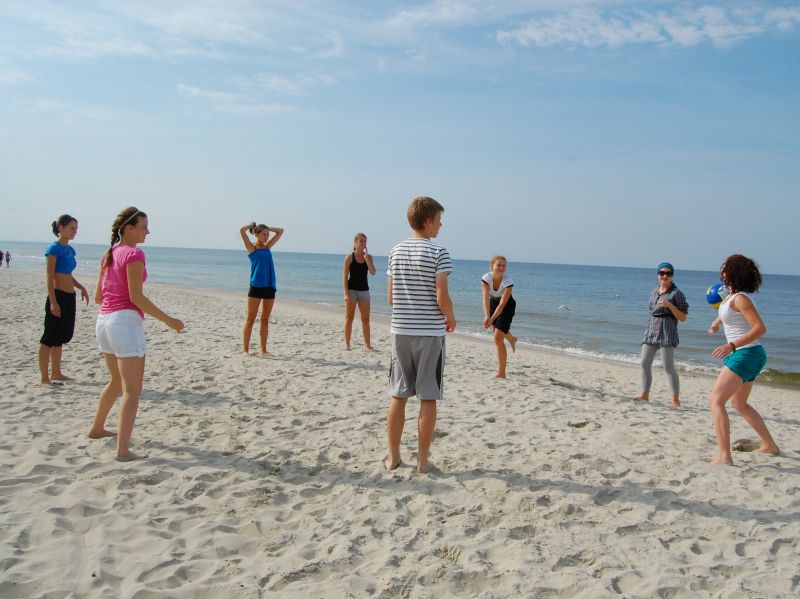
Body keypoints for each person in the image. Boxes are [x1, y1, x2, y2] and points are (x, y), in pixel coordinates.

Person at [88, 207, 184, 461]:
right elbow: (136, 297)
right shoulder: (133, 253)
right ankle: (123, 450)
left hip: (104, 321)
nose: (147, 231)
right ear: (129, 229)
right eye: (144, 227)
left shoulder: (109, 254)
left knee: (116, 382)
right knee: (132, 390)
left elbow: (98, 297)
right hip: (124, 323)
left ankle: (97, 429)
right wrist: (170, 321)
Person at [385, 196, 455, 474]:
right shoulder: (439, 252)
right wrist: (450, 317)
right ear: (427, 221)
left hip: (400, 330)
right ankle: (422, 462)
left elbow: (391, 297)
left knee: (398, 395)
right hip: (429, 333)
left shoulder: (395, 250)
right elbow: (441, 296)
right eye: (439, 220)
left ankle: (393, 458)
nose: (440, 225)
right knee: (428, 397)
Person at [707, 254, 780, 465]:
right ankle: (770, 445)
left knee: (716, 401)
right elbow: (727, 312)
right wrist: (717, 323)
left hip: (746, 353)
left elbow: (760, 328)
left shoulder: (741, 299)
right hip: (751, 354)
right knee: (739, 403)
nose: (722, 270)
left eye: (725, 267)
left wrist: (731, 345)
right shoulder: (733, 297)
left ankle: (724, 456)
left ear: (733, 272)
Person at [38, 215, 90, 385]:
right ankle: (44, 378)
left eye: (76, 229)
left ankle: (56, 373)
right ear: (61, 228)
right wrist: (53, 302)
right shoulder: (54, 248)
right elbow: (50, 276)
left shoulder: (70, 250)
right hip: (58, 295)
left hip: (69, 297)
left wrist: (81, 287)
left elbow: (67, 274)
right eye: (71, 228)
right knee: (49, 337)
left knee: (61, 336)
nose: (74, 231)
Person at [635, 262, 688, 407]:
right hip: (651, 330)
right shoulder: (654, 291)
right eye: (662, 273)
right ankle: (645, 394)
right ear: (658, 275)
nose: (665, 276)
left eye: (668, 273)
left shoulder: (677, 294)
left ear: (672, 276)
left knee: (668, 367)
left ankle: (675, 399)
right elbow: (651, 310)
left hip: (667, 331)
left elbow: (683, 317)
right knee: (644, 363)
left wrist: (670, 306)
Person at [239, 221, 284, 355]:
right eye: (264, 234)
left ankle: (263, 350)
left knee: (265, 320)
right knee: (250, 320)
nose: (266, 237)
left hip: (269, 286)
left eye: (268, 234)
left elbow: (281, 231)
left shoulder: (268, 247)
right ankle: (245, 350)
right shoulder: (252, 249)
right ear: (257, 234)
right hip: (256, 287)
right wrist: (251, 226)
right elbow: (242, 231)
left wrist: (268, 228)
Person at [482, 255, 518, 378]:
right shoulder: (486, 278)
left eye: (504, 266)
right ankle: (512, 339)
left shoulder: (508, 280)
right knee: (497, 330)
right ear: (492, 266)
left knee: (497, 338)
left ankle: (501, 373)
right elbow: (485, 298)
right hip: (493, 303)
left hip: (507, 306)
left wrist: (492, 319)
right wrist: (487, 315)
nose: (501, 267)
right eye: (498, 265)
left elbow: (502, 304)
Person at [343, 232, 376, 350]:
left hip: (364, 292)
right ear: (355, 243)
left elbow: (373, 272)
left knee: (365, 319)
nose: (363, 243)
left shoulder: (369, 257)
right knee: (349, 318)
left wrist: (367, 259)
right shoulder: (349, 257)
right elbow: (345, 277)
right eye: (361, 241)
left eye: (365, 241)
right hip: (351, 291)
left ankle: (367, 345)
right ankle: (347, 344)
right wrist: (346, 293)